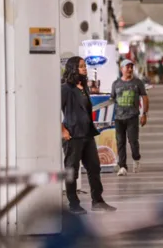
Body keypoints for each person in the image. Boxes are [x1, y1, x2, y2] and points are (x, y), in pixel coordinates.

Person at [61, 56, 116, 214]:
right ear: (73, 69)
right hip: (73, 135)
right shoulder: (66, 88)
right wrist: (63, 131)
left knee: (94, 167)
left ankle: (97, 201)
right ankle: (73, 204)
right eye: (81, 66)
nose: (84, 68)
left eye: (84, 66)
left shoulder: (83, 87)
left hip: (87, 134)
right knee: (72, 169)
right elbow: (54, 108)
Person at [111, 59, 149, 176]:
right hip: (118, 118)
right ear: (121, 69)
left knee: (133, 141)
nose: (130, 69)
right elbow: (112, 99)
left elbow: (145, 98)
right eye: (127, 67)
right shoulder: (116, 84)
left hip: (132, 117)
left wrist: (144, 114)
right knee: (120, 142)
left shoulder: (137, 83)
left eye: (131, 67)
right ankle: (122, 166)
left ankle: (136, 159)